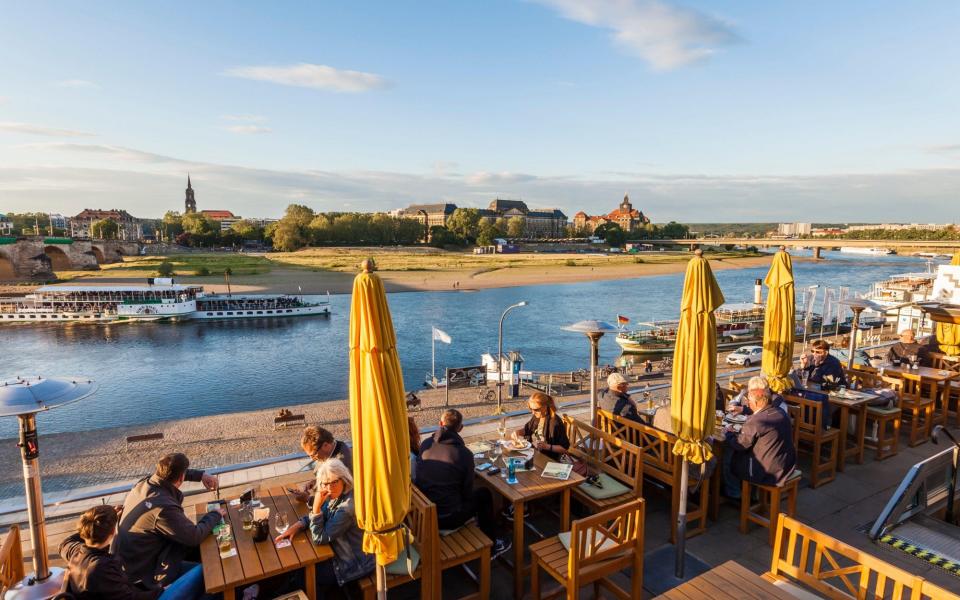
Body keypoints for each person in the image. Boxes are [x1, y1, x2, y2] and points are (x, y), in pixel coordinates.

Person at [116, 453, 223, 590]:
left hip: (136, 561)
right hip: (149, 574)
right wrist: (215, 514)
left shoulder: (145, 483)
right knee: (212, 573)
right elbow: (194, 536)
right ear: (180, 478)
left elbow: (176, 473)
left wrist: (201, 476)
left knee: (207, 544)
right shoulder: (163, 507)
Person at [415, 409, 511, 558]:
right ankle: (492, 547)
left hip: (426, 514)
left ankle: (483, 530)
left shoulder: (426, 444)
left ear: (440, 424)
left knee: (470, 494)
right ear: (460, 428)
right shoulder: (463, 454)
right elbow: (466, 493)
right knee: (483, 494)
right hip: (447, 519)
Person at [61, 505, 207, 600]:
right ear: (113, 531)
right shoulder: (101, 567)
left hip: (140, 589)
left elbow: (64, 543)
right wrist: (161, 590)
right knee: (205, 571)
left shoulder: (76, 553)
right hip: (154, 597)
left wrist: (92, 523)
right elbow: (131, 598)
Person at [275, 459, 374, 596]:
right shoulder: (337, 494)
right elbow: (325, 513)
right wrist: (299, 524)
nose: (329, 488)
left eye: (334, 482)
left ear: (344, 479)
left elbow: (320, 538)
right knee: (297, 569)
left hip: (354, 563)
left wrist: (315, 507)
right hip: (338, 553)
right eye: (325, 483)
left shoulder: (347, 508)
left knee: (305, 577)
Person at [722, 381, 797, 499]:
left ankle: (735, 494)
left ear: (756, 402)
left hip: (768, 472)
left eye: (749, 401)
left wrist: (728, 433)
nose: (748, 403)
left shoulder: (757, 420)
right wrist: (744, 410)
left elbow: (740, 445)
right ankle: (751, 494)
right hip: (786, 464)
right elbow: (760, 412)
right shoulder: (780, 412)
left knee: (729, 457)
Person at [290, 426, 353, 503]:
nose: (312, 459)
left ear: (325, 445)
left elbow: (334, 500)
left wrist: (308, 499)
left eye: (314, 454)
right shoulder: (336, 447)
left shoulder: (339, 465)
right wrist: (316, 482)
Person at [517, 392, 570, 461]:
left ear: (545, 406)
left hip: (548, 459)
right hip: (535, 453)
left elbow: (564, 449)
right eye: (531, 409)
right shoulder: (537, 416)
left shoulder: (555, 423)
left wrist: (547, 446)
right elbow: (527, 429)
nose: (533, 412)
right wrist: (517, 432)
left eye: (536, 409)